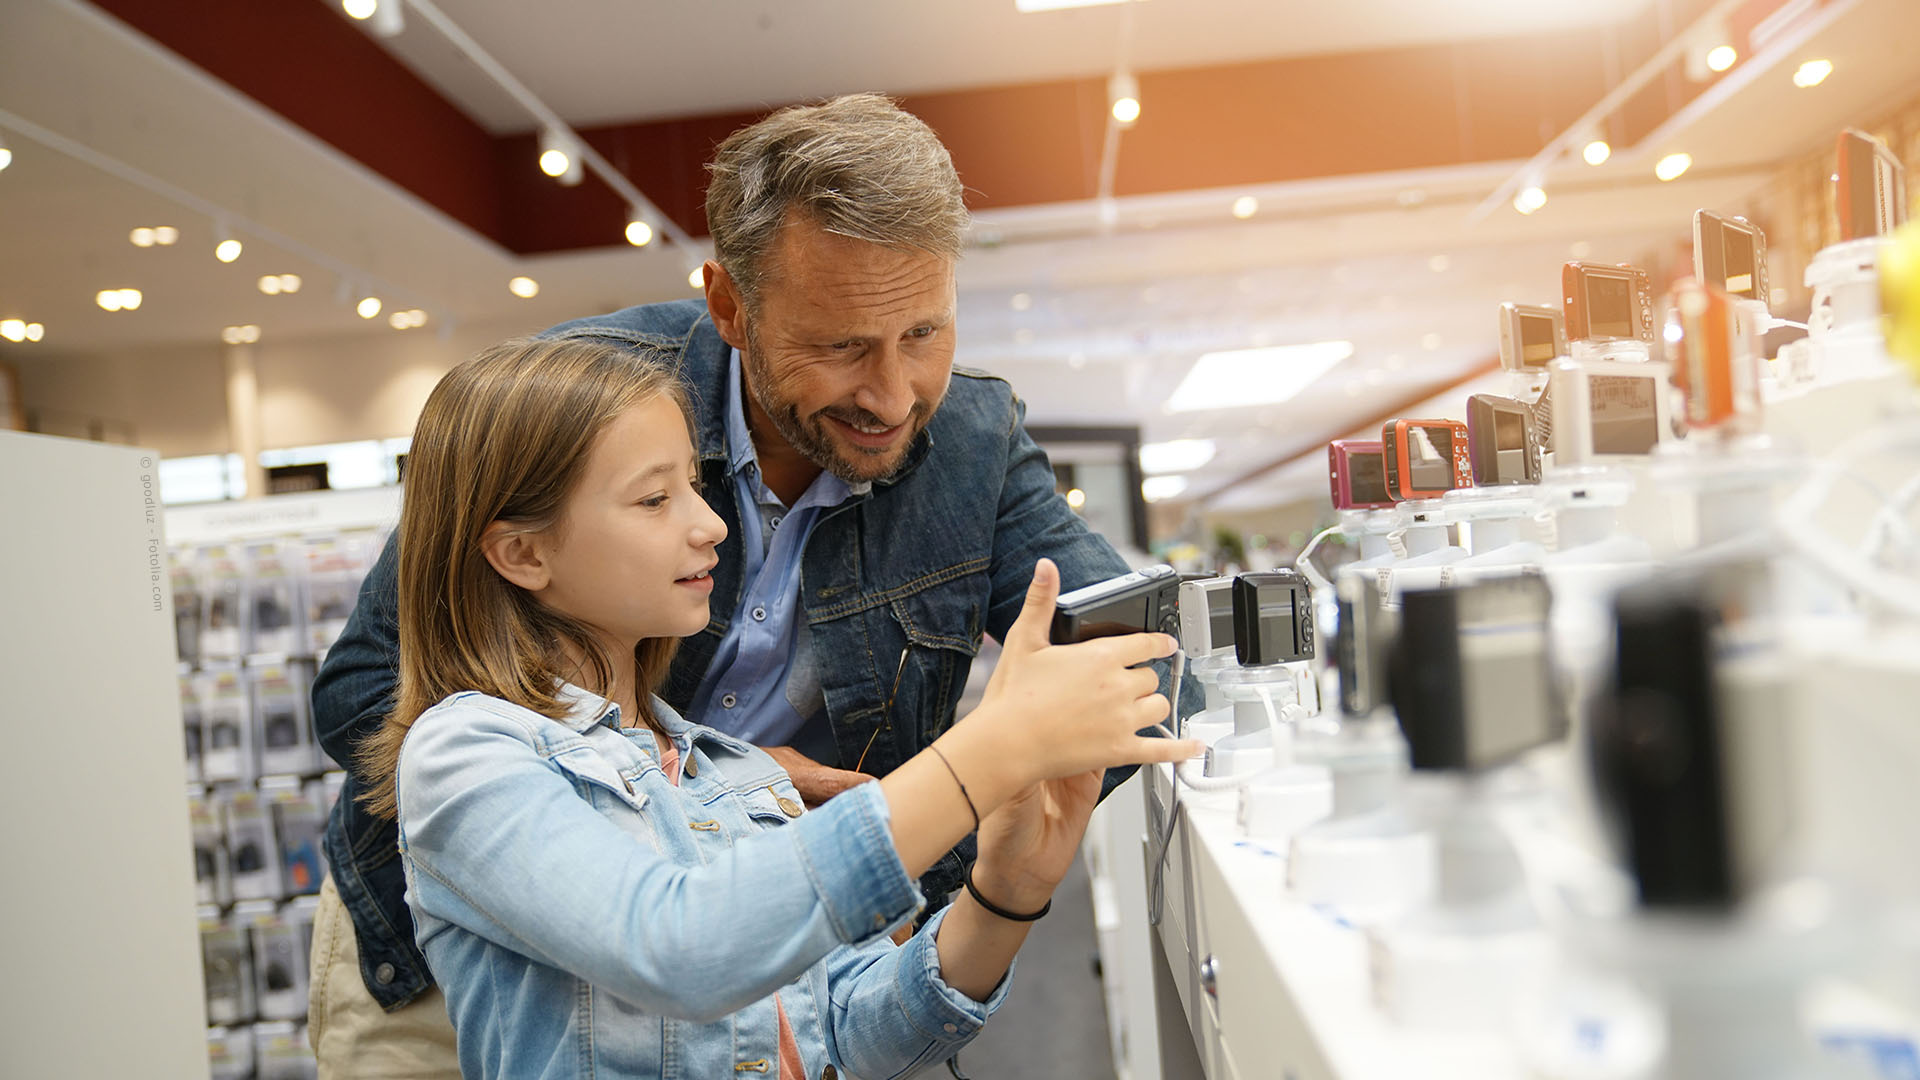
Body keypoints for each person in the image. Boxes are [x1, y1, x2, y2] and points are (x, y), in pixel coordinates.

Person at [309, 93, 1189, 1075]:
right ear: (729, 304)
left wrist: (965, 865)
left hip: (779, 922)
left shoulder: (970, 445)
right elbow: (366, 694)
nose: (893, 395)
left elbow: (1144, 666)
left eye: (924, 335)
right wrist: (729, 801)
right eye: (843, 345)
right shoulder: (587, 396)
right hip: (465, 961)